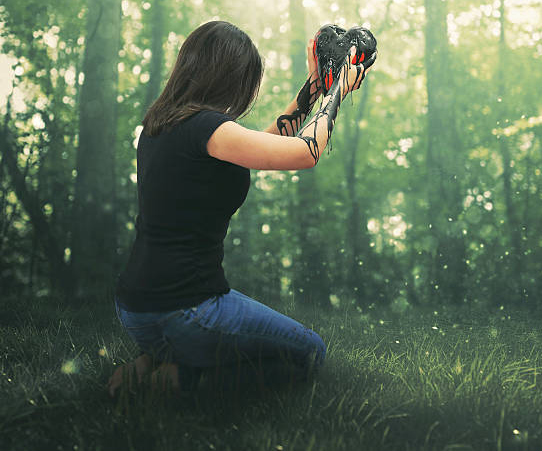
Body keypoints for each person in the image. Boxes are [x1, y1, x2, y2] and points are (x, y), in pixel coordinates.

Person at [107, 20, 373, 399]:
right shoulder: (209, 128)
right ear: (228, 76)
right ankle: (174, 383)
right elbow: (305, 152)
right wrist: (339, 90)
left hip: (136, 306)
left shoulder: (163, 124)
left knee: (242, 330)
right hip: (187, 310)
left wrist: (315, 87)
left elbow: (264, 144)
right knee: (310, 352)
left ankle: (147, 363)